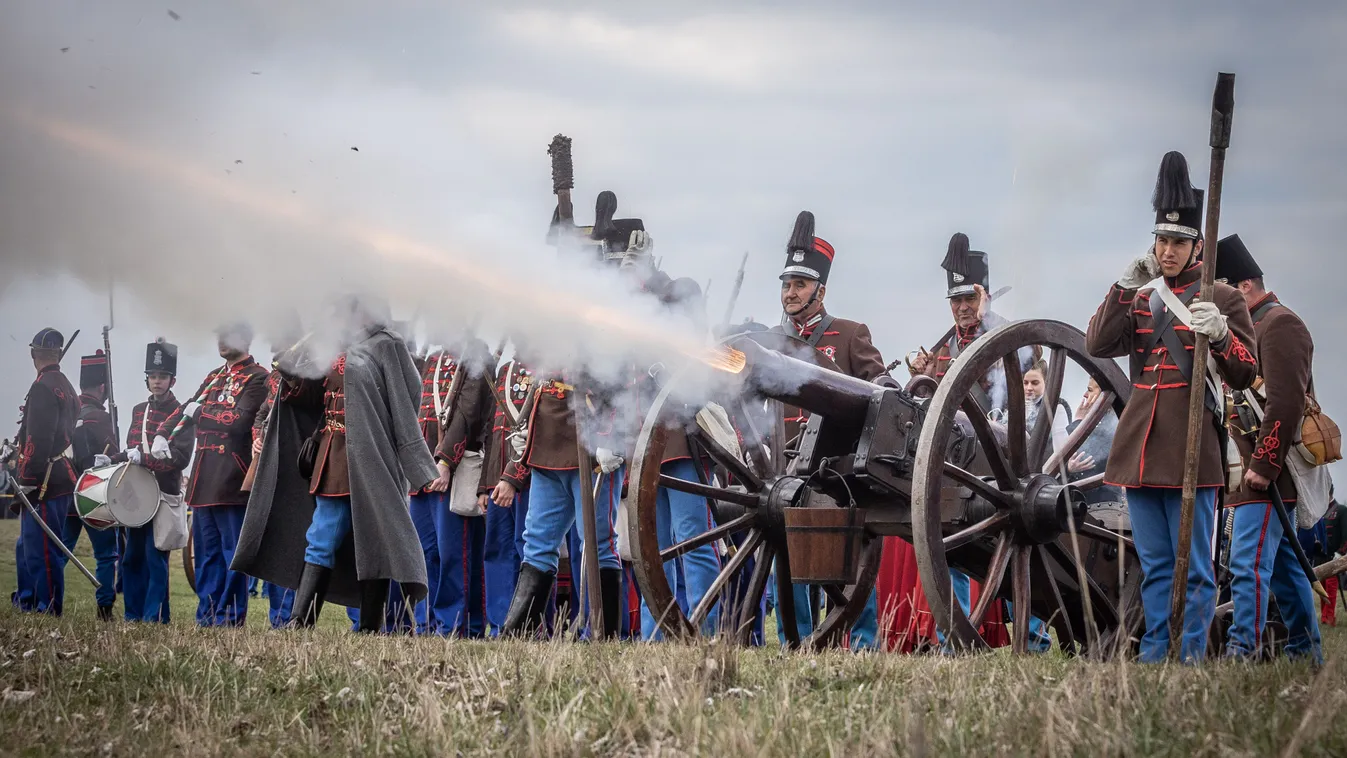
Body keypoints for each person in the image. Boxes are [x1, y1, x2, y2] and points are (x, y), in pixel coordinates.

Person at [1086, 151, 1257, 663]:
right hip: (1140, 445)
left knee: (1197, 566)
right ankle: (1156, 652)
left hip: (1191, 444)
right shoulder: (1143, 295)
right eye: (1161, 240)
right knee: (1158, 563)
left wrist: (1223, 335)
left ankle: (1190, 655)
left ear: (1197, 246)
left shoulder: (1223, 297)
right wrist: (1123, 285)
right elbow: (1097, 343)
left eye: (1178, 242)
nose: (1167, 250)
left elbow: (1246, 370)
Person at [234, 297, 438, 631]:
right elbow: (310, 396)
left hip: (372, 457)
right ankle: (301, 621)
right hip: (335, 457)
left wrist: (414, 460)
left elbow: (407, 399)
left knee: (377, 542)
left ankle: (372, 626)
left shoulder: (388, 345)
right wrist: (295, 367)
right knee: (321, 536)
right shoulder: (334, 344)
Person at [500, 193, 634, 639]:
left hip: (592, 441)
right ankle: (518, 633)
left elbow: (622, 379)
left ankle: (606, 635)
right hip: (549, 437)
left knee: (599, 544)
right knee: (536, 542)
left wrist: (613, 438)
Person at [773, 210, 899, 650]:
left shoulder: (848, 334)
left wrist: (884, 383)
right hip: (785, 465)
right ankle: (800, 639)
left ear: (820, 291)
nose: (791, 293)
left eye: (800, 285)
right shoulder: (772, 341)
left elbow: (882, 391)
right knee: (788, 557)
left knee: (853, 558)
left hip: (839, 469)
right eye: (787, 285)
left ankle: (863, 643)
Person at [1216, 233, 1322, 664]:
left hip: (1268, 470)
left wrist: (1264, 462)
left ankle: (1242, 651)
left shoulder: (1280, 324)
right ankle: (1305, 650)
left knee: (1247, 563)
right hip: (1245, 466)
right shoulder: (1250, 327)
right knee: (1281, 566)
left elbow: (1285, 401)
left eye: (1224, 290)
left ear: (1243, 287)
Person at [158, 323, 269, 627]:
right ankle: (207, 616)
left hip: (232, 477)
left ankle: (230, 618)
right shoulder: (214, 376)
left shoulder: (258, 377)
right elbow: (186, 408)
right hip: (204, 476)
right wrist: (162, 433)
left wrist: (201, 414)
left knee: (233, 554)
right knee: (206, 555)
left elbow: (239, 420)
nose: (221, 342)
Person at [109, 339, 193, 623]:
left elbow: (180, 458)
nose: (157, 381)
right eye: (153, 376)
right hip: (136, 493)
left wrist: (146, 459)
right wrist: (112, 458)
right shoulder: (137, 411)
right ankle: (132, 614)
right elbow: (132, 448)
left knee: (155, 557)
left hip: (161, 492)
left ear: (172, 380)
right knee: (131, 557)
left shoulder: (181, 414)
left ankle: (155, 616)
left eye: (162, 377)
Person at [423, 337, 495, 637]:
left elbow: (467, 414)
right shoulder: (434, 358)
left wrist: (446, 462)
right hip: (422, 467)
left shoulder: (477, 355)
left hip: (450, 467)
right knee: (426, 552)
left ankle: (458, 626)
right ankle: (425, 622)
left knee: (456, 555)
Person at [12, 328, 80, 615]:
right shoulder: (64, 384)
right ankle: (27, 599)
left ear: (32, 354)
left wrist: (26, 478)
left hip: (45, 477)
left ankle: (47, 606)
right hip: (60, 473)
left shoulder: (42, 387)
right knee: (28, 545)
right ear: (58, 354)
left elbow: (38, 439)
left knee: (41, 548)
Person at [480, 347, 535, 635]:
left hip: (527, 477)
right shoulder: (504, 369)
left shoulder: (542, 365)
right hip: (497, 478)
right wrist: (484, 486)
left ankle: (528, 625)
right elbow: (494, 429)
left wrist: (515, 477)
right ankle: (500, 624)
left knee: (527, 549)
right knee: (497, 550)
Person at [65, 350, 122, 620]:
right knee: (106, 556)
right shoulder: (100, 417)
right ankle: (104, 606)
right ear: (102, 388)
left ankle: (47, 599)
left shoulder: (68, 410)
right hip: (93, 492)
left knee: (60, 550)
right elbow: (114, 456)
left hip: (66, 492)